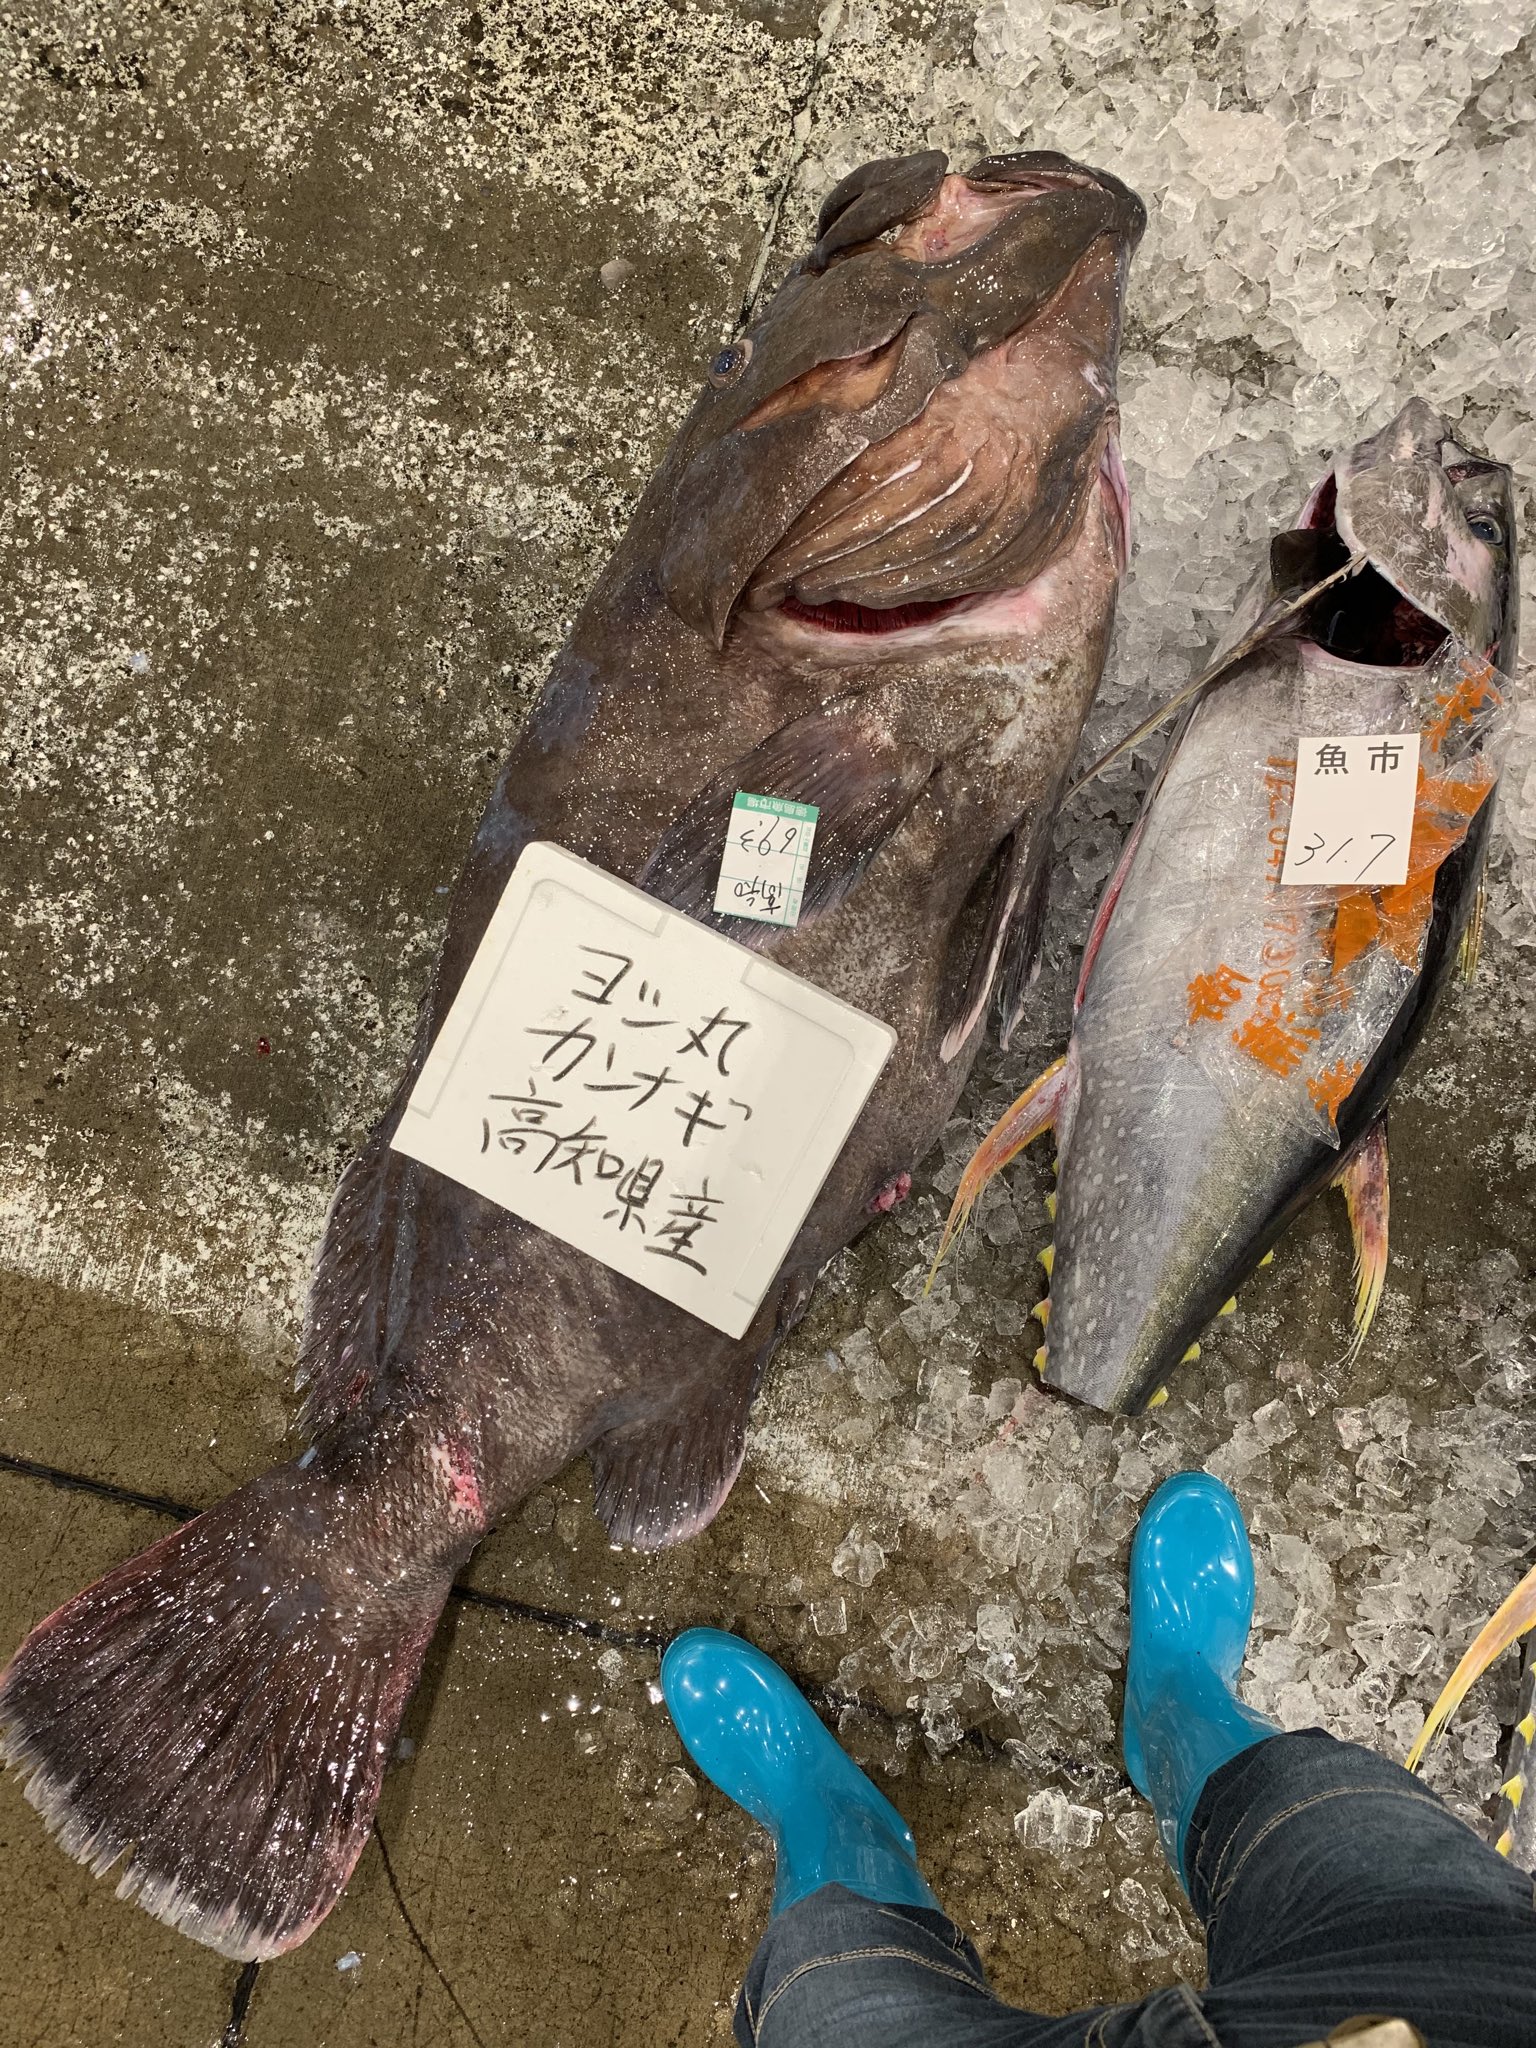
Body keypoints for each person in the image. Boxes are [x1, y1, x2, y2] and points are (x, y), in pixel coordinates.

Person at [661, 1473, 1536, 2048]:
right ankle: (1177, 1710)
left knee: (824, 1988)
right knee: (1329, 1820)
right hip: (1461, 2005)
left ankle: (832, 1822)